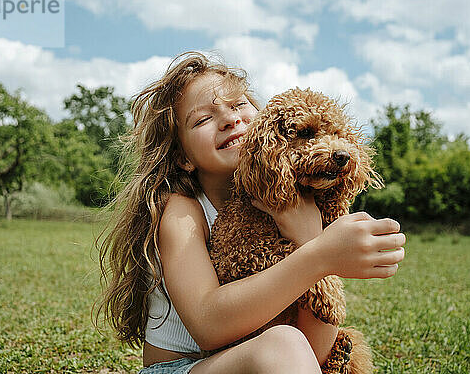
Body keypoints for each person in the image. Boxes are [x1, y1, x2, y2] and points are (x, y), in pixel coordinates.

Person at [94, 51, 406, 374]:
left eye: (238, 104)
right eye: (202, 119)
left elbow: (314, 350)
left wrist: (309, 238)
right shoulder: (182, 210)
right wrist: (319, 253)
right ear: (183, 157)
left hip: (263, 360)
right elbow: (208, 325)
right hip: (181, 369)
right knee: (282, 344)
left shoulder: (293, 206)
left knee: (290, 344)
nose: (230, 119)